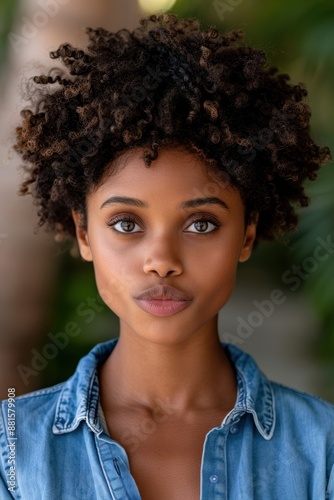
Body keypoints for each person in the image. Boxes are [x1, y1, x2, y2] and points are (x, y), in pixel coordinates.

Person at [0, 13, 333, 500]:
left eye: (201, 224)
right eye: (126, 224)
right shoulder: (12, 453)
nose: (161, 260)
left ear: (246, 234)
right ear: (83, 232)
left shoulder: (323, 451)